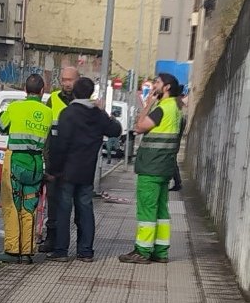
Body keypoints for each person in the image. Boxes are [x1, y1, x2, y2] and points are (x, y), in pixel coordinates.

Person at [45, 77, 122, 262]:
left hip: (67, 171)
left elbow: (60, 145)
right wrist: (105, 112)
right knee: (85, 209)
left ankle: (61, 250)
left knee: (64, 210)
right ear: (91, 93)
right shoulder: (98, 114)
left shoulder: (68, 113)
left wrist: (53, 170)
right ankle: (86, 251)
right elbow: (115, 130)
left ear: (75, 92)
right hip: (87, 170)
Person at [120, 73, 183, 264]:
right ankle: (161, 251)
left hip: (151, 166)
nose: (154, 85)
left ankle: (143, 251)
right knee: (162, 210)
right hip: (165, 167)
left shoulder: (162, 108)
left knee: (147, 210)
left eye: (157, 82)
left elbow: (139, 127)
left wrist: (147, 103)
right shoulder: (177, 109)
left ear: (166, 87)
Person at [0, 74, 52, 263]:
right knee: (29, 207)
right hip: (36, 163)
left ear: (25, 90)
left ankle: (12, 250)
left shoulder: (15, 107)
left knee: (12, 205)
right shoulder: (47, 112)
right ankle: (27, 251)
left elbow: (2, 127)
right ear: (42, 91)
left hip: (16, 162)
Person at [38, 65, 79, 252]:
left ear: (77, 79)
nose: (66, 83)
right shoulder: (53, 99)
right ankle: (51, 238)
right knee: (53, 202)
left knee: (76, 204)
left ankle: (77, 244)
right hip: (55, 161)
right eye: (64, 79)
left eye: (70, 79)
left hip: (75, 163)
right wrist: (47, 159)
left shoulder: (84, 100)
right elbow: (46, 131)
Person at [169, 93, 187, 192]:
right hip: (175, 142)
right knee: (172, 162)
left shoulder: (178, 115)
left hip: (174, 142)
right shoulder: (180, 114)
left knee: (171, 162)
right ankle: (177, 182)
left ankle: (177, 182)